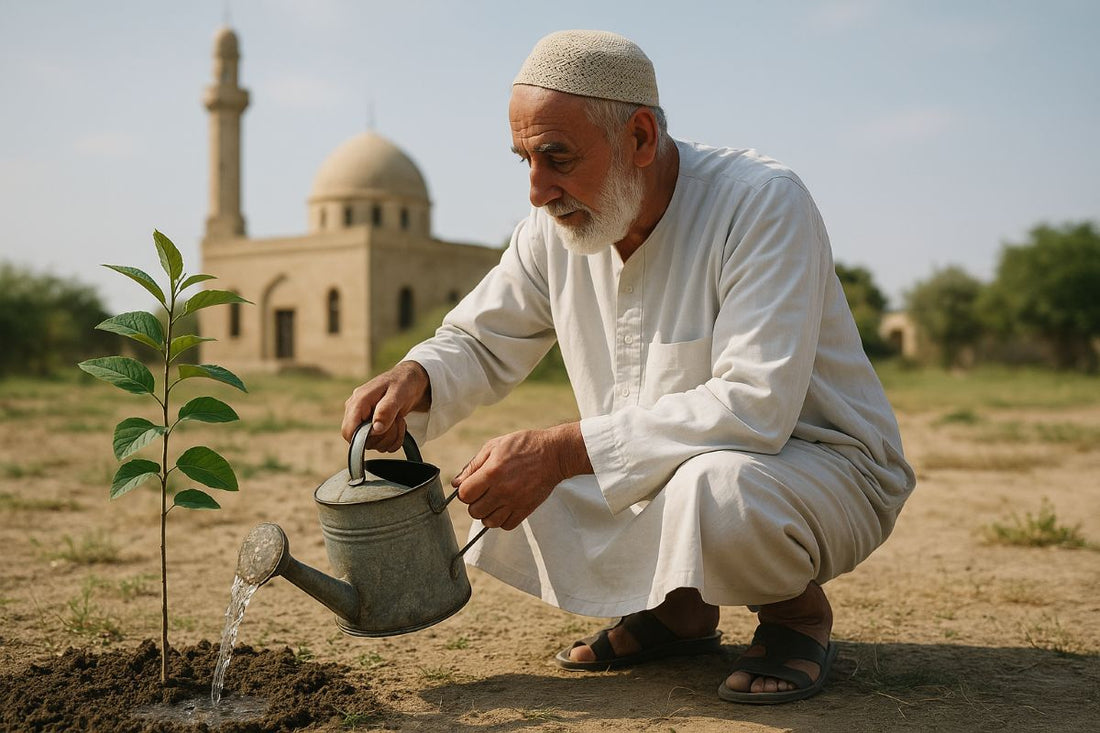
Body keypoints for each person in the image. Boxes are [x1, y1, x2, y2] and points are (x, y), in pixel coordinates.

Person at [341, 29, 915, 705]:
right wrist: (418, 375)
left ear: (639, 137)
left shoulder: (762, 203)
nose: (536, 189)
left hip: (822, 467)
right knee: (503, 481)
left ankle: (795, 615)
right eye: (524, 158)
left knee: (714, 486)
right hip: (680, 467)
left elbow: (754, 405)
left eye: (557, 156)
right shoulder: (555, 228)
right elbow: (478, 339)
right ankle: (679, 612)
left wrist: (558, 450)